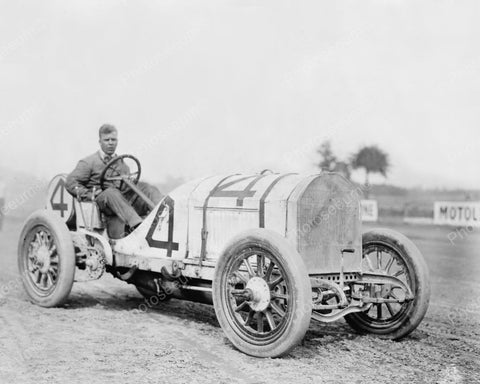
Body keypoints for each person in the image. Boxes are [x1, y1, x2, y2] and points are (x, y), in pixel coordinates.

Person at [66, 124, 162, 238]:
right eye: (107, 140)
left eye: (113, 139)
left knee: (147, 187)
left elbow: (127, 185)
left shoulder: (121, 163)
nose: (110, 143)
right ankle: (137, 227)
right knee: (111, 192)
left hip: (120, 199)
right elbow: (71, 183)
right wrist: (89, 194)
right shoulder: (88, 162)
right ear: (100, 141)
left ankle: (164, 217)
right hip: (101, 201)